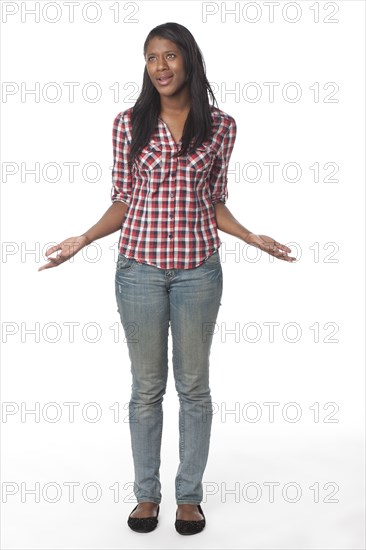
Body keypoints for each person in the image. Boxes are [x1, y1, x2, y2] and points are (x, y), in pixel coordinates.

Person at [39, 22, 296, 535]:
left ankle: (189, 497)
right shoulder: (127, 123)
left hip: (199, 271)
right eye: (152, 57)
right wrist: (83, 239)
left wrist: (252, 237)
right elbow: (123, 199)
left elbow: (215, 201)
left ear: (188, 62)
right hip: (138, 272)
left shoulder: (221, 126)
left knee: (195, 388)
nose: (160, 66)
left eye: (170, 56)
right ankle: (145, 496)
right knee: (146, 389)